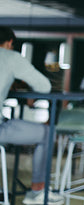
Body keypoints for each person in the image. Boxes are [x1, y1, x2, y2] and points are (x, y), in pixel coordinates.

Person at [0, 26, 64, 205]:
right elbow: (44, 86)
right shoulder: (10, 57)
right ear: (10, 42)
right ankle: (37, 191)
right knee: (46, 133)